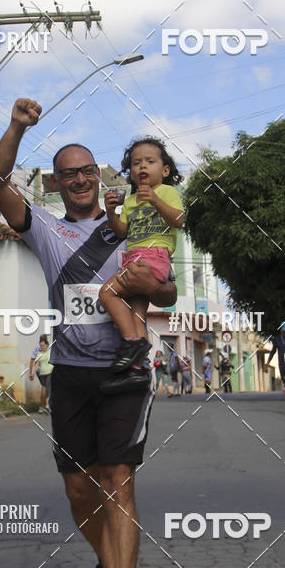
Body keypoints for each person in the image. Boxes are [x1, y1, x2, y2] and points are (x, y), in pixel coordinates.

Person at [0, 97, 178, 568]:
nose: (79, 180)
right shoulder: (44, 230)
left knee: (118, 479)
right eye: (68, 174)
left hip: (126, 371)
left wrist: (153, 286)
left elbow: (169, 289)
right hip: (69, 373)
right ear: (54, 182)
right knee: (78, 486)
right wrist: (17, 127)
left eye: (87, 171)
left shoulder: (133, 225)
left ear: (99, 175)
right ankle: (107, 560)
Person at [100, 138, 184, 391]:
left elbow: (178, 220)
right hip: (134, 257)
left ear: (165, 170)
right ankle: (138, 368)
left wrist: (156, 201)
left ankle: (130, 342)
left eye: (150, 161)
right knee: (137, 312)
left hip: (154, 257)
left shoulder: (168, 192)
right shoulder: (132, 200)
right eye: (136, 163)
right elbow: (122, 232)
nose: (142, 167)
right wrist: (110, 213)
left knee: (107, 293)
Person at [29, 334, 52, 412]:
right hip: (42, 370)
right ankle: (46, 405)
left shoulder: (36, 349)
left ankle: (42, 406)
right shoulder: (48, 348)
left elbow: (32, 361)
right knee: (46, 387)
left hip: (42, 370)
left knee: (44, 387)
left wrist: (31, 373)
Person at [34, 336, 53, 414]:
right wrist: (32, 373)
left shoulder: (50, 352)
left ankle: (47, 406)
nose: (42, 347)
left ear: (47, 345)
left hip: (50, 372)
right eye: (41, 346)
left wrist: (54, 367)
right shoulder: (39, 353)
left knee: (48, 388)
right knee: (44, 390)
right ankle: (44, 406)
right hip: (42, 374)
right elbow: (37, 364)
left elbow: (54, 361)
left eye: (43, 345)